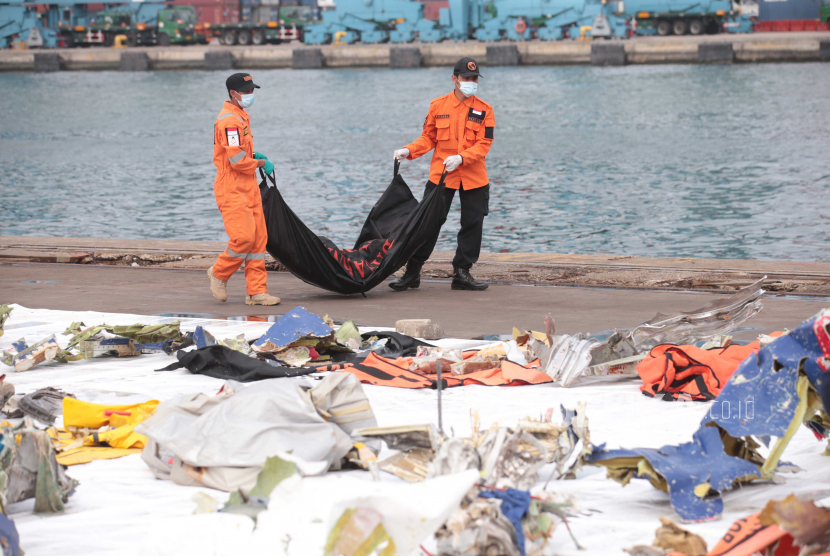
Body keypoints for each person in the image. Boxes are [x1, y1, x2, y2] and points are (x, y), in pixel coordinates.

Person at [391, 57, 495, 292]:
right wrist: (409, 150)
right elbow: (429, 138)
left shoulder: (484, 110)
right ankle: (412, 272)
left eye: (474, 78)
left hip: (474, 176)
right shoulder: (438, 105)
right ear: (454, 79)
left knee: (472, 224)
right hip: (441, 176)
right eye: (466, 78)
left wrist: (462, 158)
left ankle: (462, 273)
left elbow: (484, 144)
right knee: (427, 224)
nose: (471, 82)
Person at [207, 73, 280, 306]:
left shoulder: (241, 115)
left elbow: (239, 152)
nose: (250, 94)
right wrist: (259, 163)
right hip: (232, 187)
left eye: (252, 90)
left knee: (258, 240)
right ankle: (219, 273)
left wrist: (254, 156)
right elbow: (237, 162)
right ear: (233, 94)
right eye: (246, 91)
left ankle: (256, 292)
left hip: (247, 185)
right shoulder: (230, 120)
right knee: (244, 238)